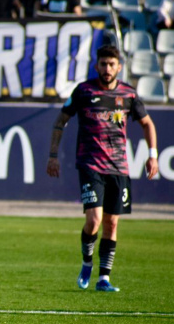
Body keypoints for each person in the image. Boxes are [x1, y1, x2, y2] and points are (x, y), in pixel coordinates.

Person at [46, 45, 158, 293]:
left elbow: (147, 123)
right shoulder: (84, 91)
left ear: (119, 67)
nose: (107, 69)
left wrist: (153, 155)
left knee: (112, 223)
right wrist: (53, 155)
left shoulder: (128, 94)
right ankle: (87, 262)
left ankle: (103, 279)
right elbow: (60, 120)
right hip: (90, 165)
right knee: (94, 220)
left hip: (119, 168)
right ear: (96, 66)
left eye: (111, 64)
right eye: (103, 64)